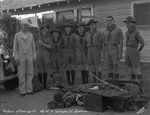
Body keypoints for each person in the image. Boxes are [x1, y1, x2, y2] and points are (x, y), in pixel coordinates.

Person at [13, 20, 36, 96]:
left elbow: (33, 46)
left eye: (27, 25)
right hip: (21, 56)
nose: (25, 27)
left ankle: (29, 89)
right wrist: (16, 58)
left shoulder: (31, 35)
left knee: (30, 73)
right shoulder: (17, 35)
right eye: (24, 25)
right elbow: (15, 47)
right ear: (21, 26)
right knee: (21, 73)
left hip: (29, 55)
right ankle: (22, 90)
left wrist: (34, 56)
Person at [123, 16, 144, 80]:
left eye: (129, 23)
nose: (127, 24)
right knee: (130, 68)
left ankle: (139, 85)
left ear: (133, 24)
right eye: (126, 23)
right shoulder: (127, 32)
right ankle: (133, 83)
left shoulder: (136, 32)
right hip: (128, 50)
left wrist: (137, 51)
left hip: (134, 50)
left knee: (136, 68)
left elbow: (142, 43)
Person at [36, 25, 52, 89]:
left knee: (45, 69)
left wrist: (42, 44)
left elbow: (50, 47)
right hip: (39, 53)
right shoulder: (37, 37)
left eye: (45, 29)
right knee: (39, 68)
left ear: (47, 30)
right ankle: (40, 85)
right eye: (43, 29)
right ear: (41, 30)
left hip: (46, 53)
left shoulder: (49, 38)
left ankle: (45, 84)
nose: (44, 30)